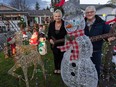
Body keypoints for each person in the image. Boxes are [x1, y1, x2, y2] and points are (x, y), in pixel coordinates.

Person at [84, 6, 115, 80]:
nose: (89, 14)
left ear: (95, 13)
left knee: (95, 68)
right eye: (87, 12)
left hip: (96, 51)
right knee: (84, 68)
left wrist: (109, 39)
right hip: (84, 51)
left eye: (91, 12)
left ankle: (95, 83)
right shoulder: (82, 23)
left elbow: (109, 34)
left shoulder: (102, 23)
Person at [48, 9, 67, 74]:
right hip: (54, 45)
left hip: (63, 44)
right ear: (54, 17)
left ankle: (61, 69)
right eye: (56, 16)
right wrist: (50, 39)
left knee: (62, 57)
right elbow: (49, 34)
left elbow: (69, 33)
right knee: (55, 57)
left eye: (59, 16)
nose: (57, 17)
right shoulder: (51, 24)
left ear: (61, 16)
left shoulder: (65, 24)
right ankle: (56, 68)